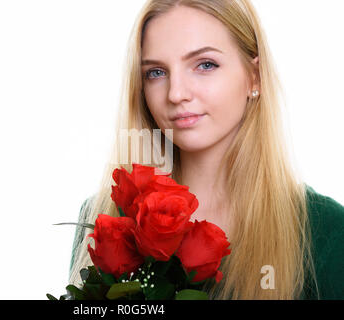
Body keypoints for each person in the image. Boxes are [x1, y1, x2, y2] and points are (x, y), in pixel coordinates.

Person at [68, 0, 344, 300]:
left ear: (255, 76)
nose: (176, 93)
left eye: (205, 65)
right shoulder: (106, 220)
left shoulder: (326, 233)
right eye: (156, 72)